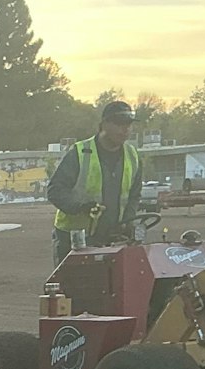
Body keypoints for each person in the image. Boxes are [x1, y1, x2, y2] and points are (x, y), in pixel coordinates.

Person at [46, 100, 144, 268]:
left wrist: (129, 221)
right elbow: (55, 191)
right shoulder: (80, 153)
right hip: (74, 240)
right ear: (104, 124)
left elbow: (134, 196)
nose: (125, 129)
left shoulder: (133, 156)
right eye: (119, 123)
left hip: (113, 240)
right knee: (72, 291)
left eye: (129, 124)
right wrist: (81, 207)